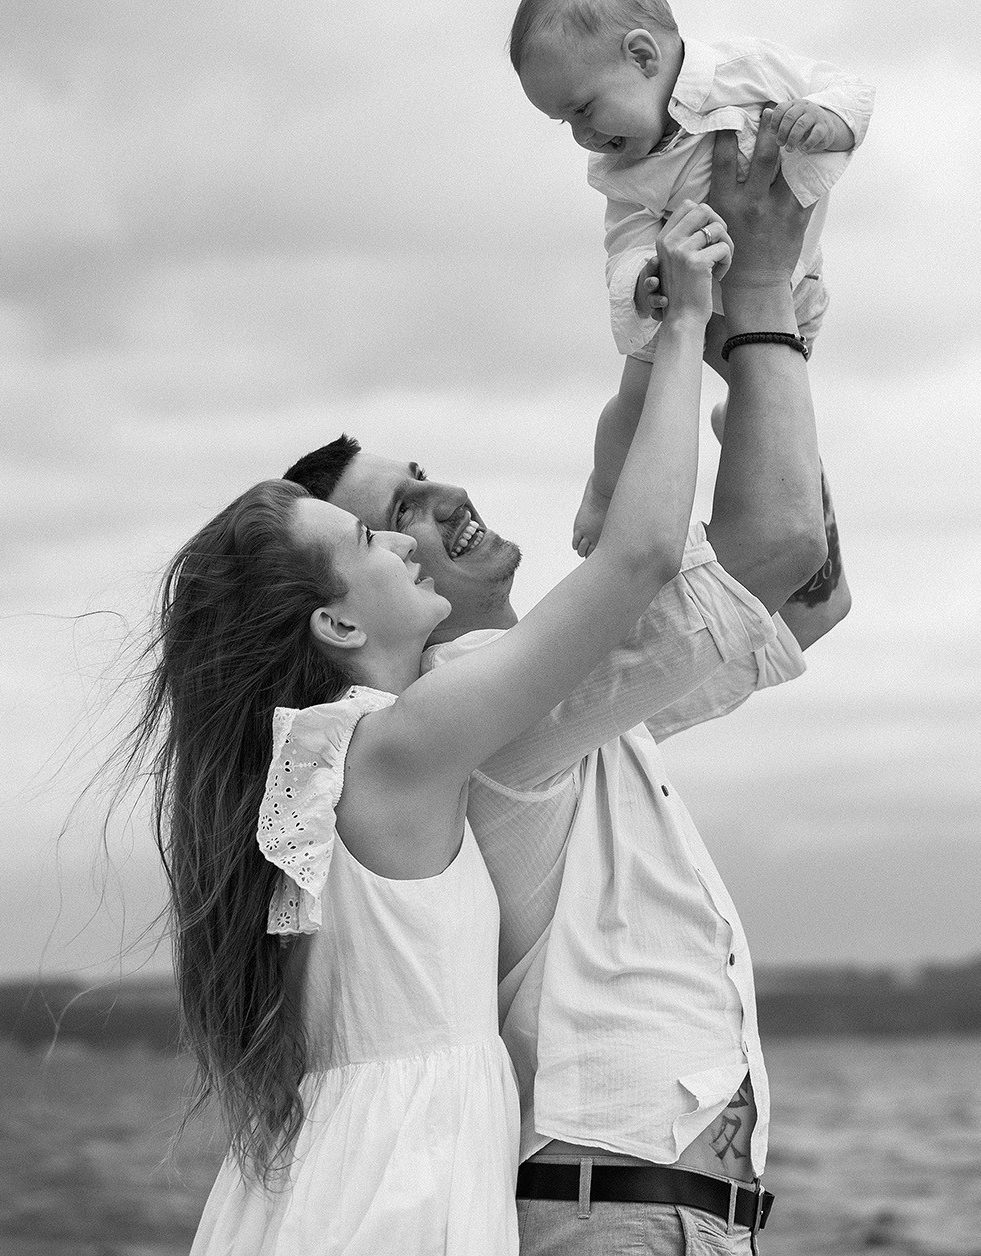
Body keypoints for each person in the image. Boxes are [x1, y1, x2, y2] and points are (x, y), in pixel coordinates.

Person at [137, 201, 733, 1255]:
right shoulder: (403, 742)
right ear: (335, 618)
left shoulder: (302, 760)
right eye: (369, 534)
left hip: (321, 1169)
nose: (406, 545)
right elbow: (634, 558)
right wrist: (685, 327)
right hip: (399, 1189)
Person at [285, 125, 840, 1253]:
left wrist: (762, 359)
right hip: (616, 1217)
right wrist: (762, 302)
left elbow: (811, 598)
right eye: (396, 518)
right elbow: (777, 545)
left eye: (426, 477)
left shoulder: (561, 705)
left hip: (654, 1213)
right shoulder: (491, 705)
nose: (440, 503)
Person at [509, 0, 874, 557]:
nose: (582, 137)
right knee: (640, 394)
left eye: (583, 110)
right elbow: (624, 239)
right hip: (688, 290)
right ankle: (605, 491)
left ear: (643, 56)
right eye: (563, 124)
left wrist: (829, 119)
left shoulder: (749, 71)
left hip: (790, 283)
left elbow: (852, 89)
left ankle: (746, 434)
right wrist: (642, 283)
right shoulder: (625, 172)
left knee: (779, 392)